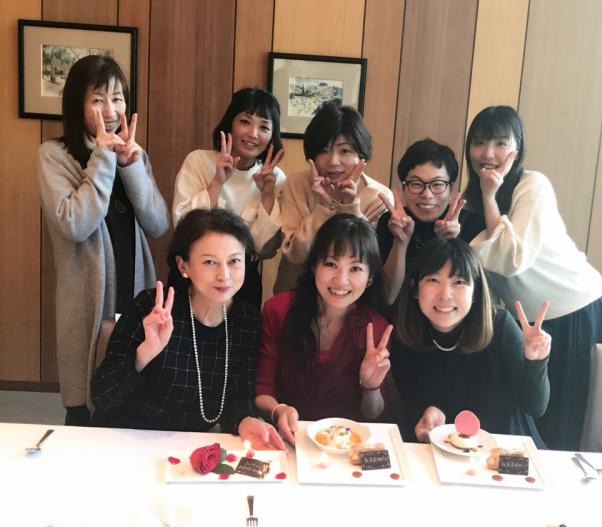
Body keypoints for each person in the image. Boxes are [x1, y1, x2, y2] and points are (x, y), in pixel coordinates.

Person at [462, 106, 602, 451]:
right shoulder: (472, 197)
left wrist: (489, 198)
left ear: (517, 149)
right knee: (534, 414)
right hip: (531, 322)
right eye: (479, 142)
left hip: (575, 310)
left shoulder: (533, 186)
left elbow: (511, 258)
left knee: (566, 420)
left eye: (500, 143)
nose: (488, 153)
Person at [37, 55, 169, 426]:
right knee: (86, 409)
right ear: (77, 104)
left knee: (132, 399)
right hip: (88, 302)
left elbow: (158, 223)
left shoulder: (131, 154)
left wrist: (131, 166)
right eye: (98, 99)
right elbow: (75, 225)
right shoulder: (54, 156)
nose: (110, 111)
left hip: (134, 295)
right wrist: (103, 157)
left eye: (118, 98)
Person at [91, 209, 285, 449]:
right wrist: (145, 352)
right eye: (210, 262)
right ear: (184, 266)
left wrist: (244, 420)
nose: (224, 275)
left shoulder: (246, 320)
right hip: (128, 440)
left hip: (190, 450)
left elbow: (239, 395)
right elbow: (100, 395)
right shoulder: (153, 308)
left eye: (234, 261)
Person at [392, 238, 551, 445]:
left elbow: (535, 407)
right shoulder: (406, 334)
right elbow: (413, 403)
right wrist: (428, 415)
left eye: (458, 282)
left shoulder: (499, 327)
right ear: (415, 289)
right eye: (433, 280)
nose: (445, 295)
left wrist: (536, 362)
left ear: (475, 292)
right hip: (443, 451)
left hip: (505, 449)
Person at [256, 214, 394, 444]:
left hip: (346, 447)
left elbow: (373, 415)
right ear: (314, 266)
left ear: (370, 277)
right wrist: (279, 410)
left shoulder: (376, 329)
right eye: (331, 264)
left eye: (355, 268)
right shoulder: (278, 310)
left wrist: (370, 387)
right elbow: (262, 389)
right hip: (286, 439)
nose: (341, 280)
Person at [172, 87, 286, 308]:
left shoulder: (276, 178)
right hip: (193, 275)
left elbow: (261, 248)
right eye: (245, 122)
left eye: (264, 127)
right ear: (230, 124)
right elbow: (182, 226)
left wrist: (267, 194)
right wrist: (217, 182)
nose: (253, 134)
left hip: (244, 282)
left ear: (272, 136)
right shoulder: (199, 161)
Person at [274, 102, 393, 292]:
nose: (333, 161)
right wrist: (322, 208)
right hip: (295, 293)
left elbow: (368, 261)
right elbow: (295, 256)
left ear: (361, 154)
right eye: (323, 150)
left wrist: (350, 206)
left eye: (344, 151)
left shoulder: (379, 197)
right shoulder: (295, 185)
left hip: (350, 297)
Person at [377, 138, 485, 303]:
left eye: (437, 184)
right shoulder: (391, 223)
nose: (427, 194)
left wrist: (452, 244)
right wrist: (400, 243)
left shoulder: (472, 224)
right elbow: (387, 298)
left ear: (450, 188)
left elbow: (476, 298)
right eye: (416, 184)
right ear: (404, 187)